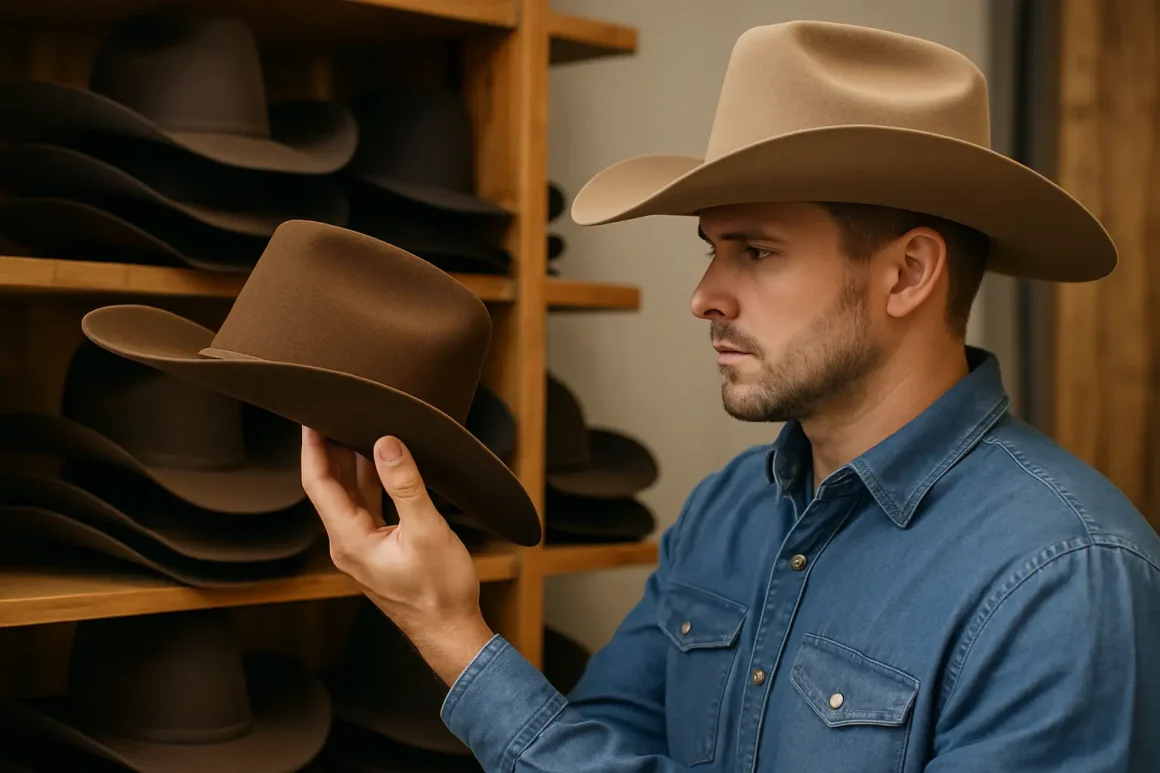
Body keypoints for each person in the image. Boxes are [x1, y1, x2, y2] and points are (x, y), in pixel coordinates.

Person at [301, 20, 1160, 772]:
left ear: (907, 273)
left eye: (756, 251)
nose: (704, 296)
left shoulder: (1065, 577)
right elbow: (600, 740)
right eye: (711, 249)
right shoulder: (728, 510)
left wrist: (453, 634)